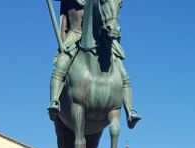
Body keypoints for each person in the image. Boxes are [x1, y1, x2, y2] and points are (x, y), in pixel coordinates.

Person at [47, 0, 141, 128]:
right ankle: (55, 101)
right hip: (76, 34)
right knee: (62, 63)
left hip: (102, 37)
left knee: (122, 72)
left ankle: (130, 110)